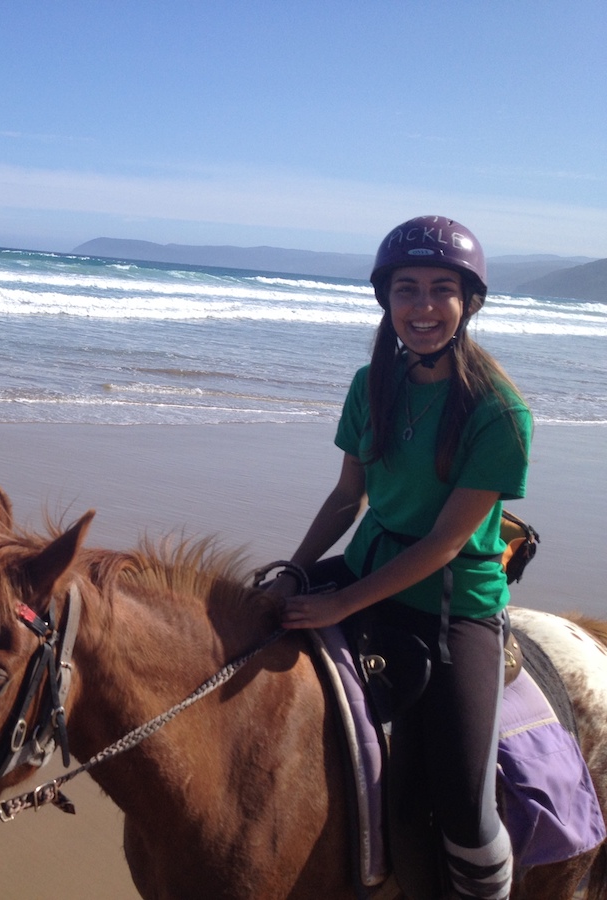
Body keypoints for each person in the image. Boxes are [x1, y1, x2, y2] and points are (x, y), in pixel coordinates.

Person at [270, 215, 532, 900]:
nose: (421, 307)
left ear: (468, 302)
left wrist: (338, 603)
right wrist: (297, 571)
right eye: (406, 289)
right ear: (386, 300)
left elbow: (446, 541)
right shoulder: (372, 384)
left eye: (441, 289)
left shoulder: (498, 410)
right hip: (366, 567)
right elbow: (345, 498)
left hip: (453, 605)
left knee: (466, 811)